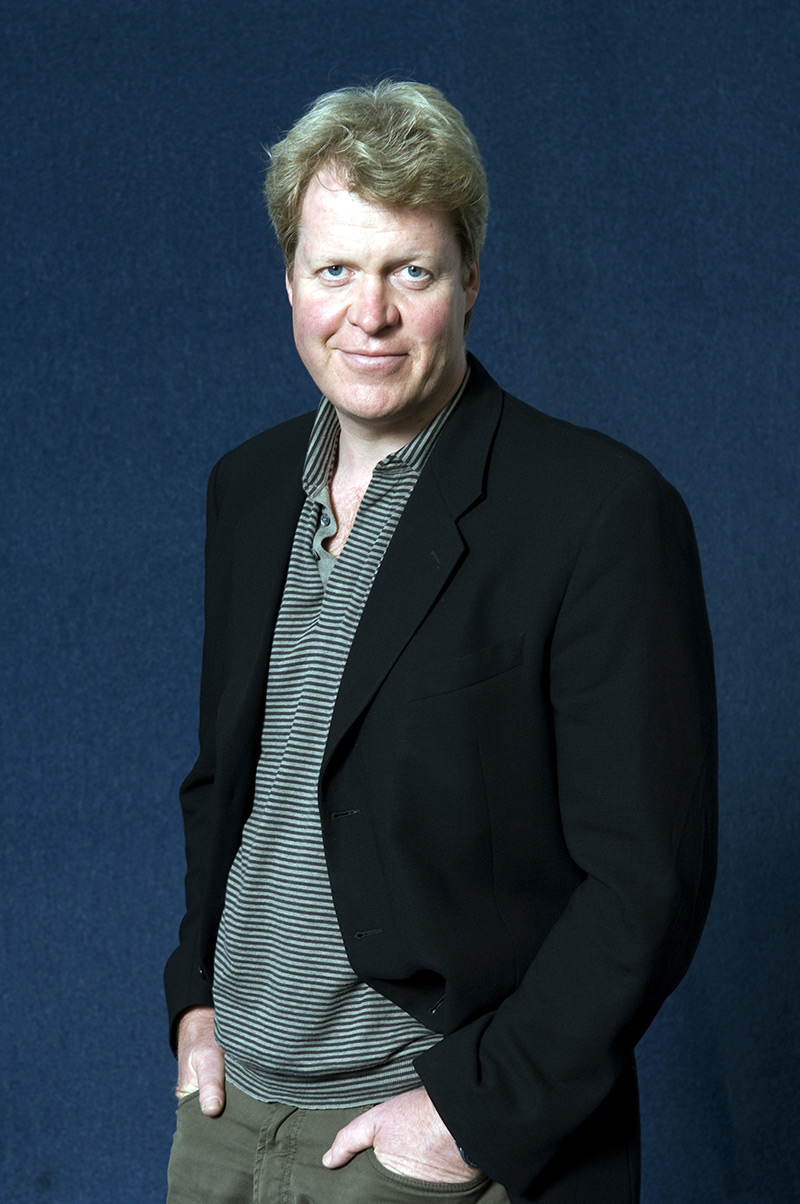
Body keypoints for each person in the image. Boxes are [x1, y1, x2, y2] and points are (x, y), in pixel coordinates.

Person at [164, 81, 717, 1204]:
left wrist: (474, 1115)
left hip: (431, 1132)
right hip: (230, 1118)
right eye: (334, 270)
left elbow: (645, 879)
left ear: (469, 280)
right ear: (289, 282)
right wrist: (194, 997)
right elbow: (230, 781)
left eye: (409, 272)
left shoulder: (597, 510)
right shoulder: (249, 487)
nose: (366, 314)